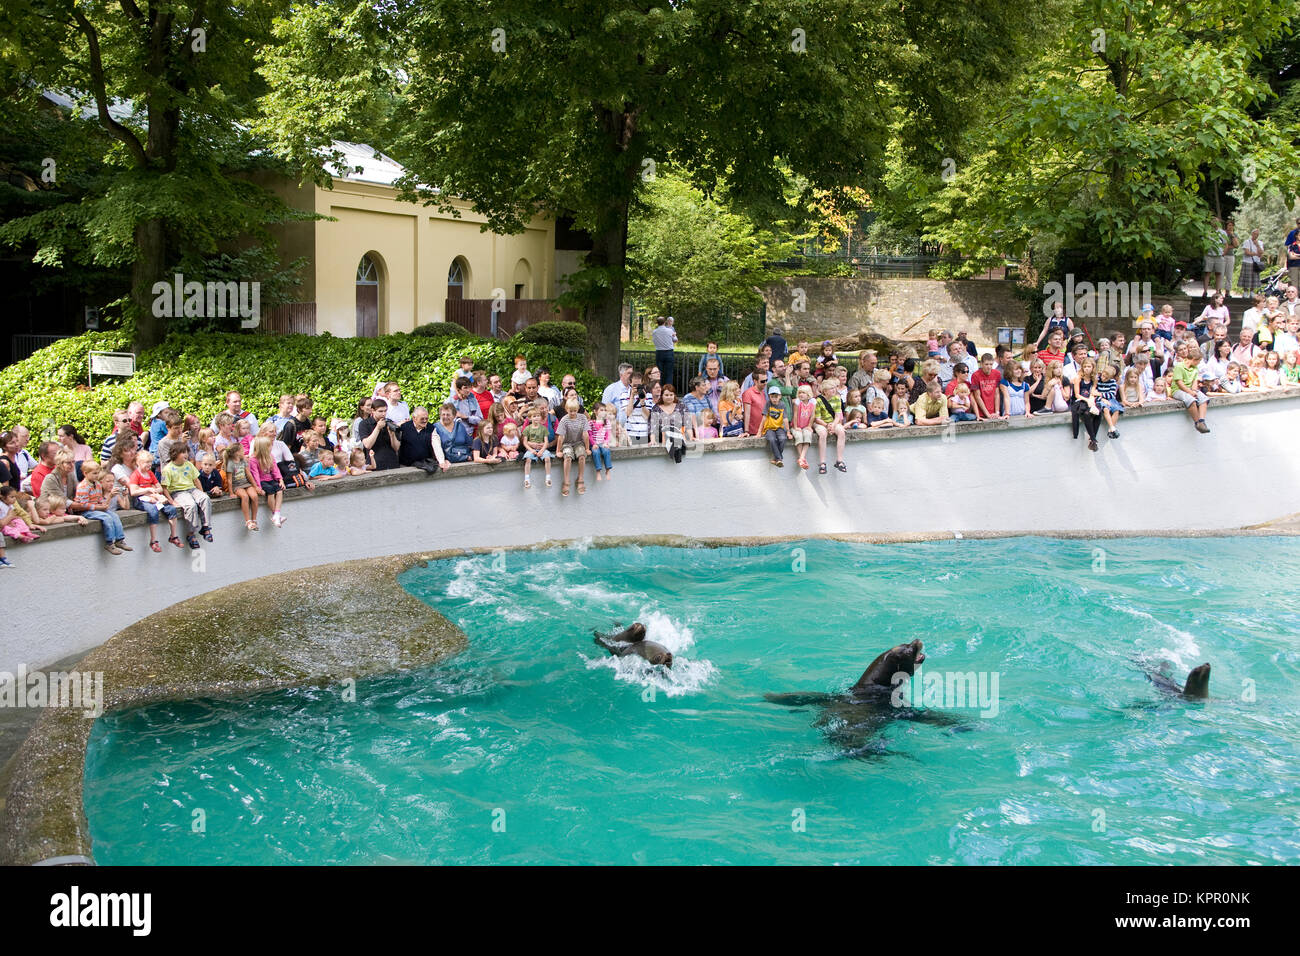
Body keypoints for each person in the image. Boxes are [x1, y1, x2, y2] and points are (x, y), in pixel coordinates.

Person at [74, 459, 132, 555]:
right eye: (94, 473)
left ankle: (120, 539)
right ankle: (109, 543)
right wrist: (99, 507)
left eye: (97, 473)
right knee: (106, 518)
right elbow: (83, 505)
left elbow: (99, 497)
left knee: (114, 516)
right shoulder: (83, 486)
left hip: (96, 507)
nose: (96, 476)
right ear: (85, 473)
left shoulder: (97, 484)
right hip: (86, 511)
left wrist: (103, 503)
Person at [162, 445, 214, 546]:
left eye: (186, 452)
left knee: (205, 498)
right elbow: (164, 488)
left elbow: (196, 480)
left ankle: (206, 527)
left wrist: (202, 493)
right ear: (175, 454)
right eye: (183, 452)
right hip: (178, 491)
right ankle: (191, 533)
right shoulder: (168, 469)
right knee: (190, 505)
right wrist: (172, 501)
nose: (186, 454)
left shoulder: (189, 465)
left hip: (191, 489)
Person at [1169, 343, 1211, 433]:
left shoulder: (1195, 368)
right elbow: (1179, 382)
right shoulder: (1179, 366)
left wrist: (1194, 391)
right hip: (1178, 390)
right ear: (1193, 359)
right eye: (1198, 361)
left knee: (1203, 399)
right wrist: (1189, 392)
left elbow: (1194, 382)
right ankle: (1197, 422)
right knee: (1191, 400)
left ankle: (1202, 421)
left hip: (1190, 389)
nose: (1198, 363)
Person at [649, 384, 694, 463]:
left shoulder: (681, 406)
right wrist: (652, 440)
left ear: (674, 395)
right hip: (662, 439)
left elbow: (688, 424)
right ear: (662, 396)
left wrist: (691, 437)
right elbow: (653, 427)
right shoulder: (656, 408)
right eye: (666, 395)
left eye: (671, 395)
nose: (669, 397)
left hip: (680, 435)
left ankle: (677, 451)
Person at [249, 435, 286, 528]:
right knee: (271, 492)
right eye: (269, 446)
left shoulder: (270, 456)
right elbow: (255, 474)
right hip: (262, 481)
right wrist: (258, 488)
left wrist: (280, 480)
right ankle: (275, 514)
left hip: (270, 479)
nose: (271, 448)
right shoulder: (253, 459)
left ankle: (277, 513)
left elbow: (275, 470)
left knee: (279, 490)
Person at [220, 443, 259, 531]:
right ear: (237, 452)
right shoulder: (230, 463)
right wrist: (231, 493)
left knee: (254, 496)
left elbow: (248, 474)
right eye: (242, 450)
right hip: (237, 485)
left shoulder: (243, 461)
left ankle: (254, 519)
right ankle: (248, 521)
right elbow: (229, 480)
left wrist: (255, 486)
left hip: (246, 483)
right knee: (245, 497)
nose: (244, 451)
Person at [555, 397, 591, 495]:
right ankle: (566, 481)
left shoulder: (582, 418)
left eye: (575, 411)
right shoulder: (564, 420)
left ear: (578, 409)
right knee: (567, 457)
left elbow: (585, 434)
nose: (573, 413)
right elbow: (561, 437)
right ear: (567, 410)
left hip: (578, 442)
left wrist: (587, 448)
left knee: (582, 455)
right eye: (570, 411)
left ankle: (580, 479)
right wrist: (558, 450)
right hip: (567, 443)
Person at [399, 406, 448, 475]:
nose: (425, 421)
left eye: (426, 418)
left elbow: (436, 445)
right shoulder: (404, 427)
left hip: (424, 466)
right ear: (414, 418)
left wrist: (441, 462)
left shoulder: (431, 428)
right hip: (405, 466)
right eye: (422, 419)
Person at [358, 398, 401, 470]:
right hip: (375, 465)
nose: (383, 414)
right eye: (380, 411)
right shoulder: (364, 424)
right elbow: (367, 445)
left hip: (392, 464)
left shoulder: (390, 423)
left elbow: (396, 448)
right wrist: (377, 428)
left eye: (385, 411)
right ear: (373, 411)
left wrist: (392, 435)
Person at [522, 406, 553, 489]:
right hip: (531, 449)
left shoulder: (543, 429)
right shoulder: (527, 429)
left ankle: (548, 477)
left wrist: (542, 451)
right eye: (534, 416)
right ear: (530, 418)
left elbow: (546, 442)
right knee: (528, 459)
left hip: (542, 449)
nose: (536, 418)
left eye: (538, 416)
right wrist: (531, 450)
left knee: (547, 458)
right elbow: (525, 442)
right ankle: (527, 479)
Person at [589, 404, 615, 480]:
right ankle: (598, 471)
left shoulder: (606, 422)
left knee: (606, 451)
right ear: (595, 411)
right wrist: (593, 444)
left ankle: (608, 470)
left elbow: (608, 434)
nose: (603, 412)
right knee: (596, 453)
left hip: (603, 443)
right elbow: (589, 435)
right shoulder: (591, 422)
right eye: (601, 410)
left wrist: (606, 443)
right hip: (595, 443)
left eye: (605, 410)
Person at [651, 317, 676, 388]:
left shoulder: (654, 332)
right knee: (669, 373)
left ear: (657, 323)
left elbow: (654, 341)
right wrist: (674, 335)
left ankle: (659, 388)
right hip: (669, 352)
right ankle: (668, 390)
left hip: (659, 352)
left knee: (659, 373)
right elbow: (675, 340)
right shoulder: (669, 331)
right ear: (665, 322)